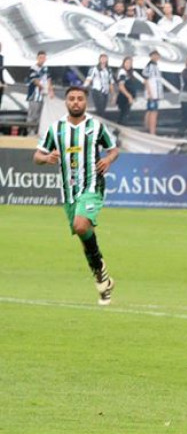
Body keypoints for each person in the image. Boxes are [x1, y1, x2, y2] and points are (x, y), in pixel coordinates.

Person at [32, 86, 118, 305]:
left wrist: (108, 160)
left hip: (92, 186)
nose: (76, 102)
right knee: (83, 233)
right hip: (69, 192)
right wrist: (46, 157)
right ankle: (102, 276)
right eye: (72, 99)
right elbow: (37, 155)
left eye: (80, 99)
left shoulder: (96, 126)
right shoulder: (57, 128)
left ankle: (100, 274)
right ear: (66, 102)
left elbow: (113, 149)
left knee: (81, 226)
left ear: (86, 102)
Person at [26, 50, 50, 131]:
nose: (42, 59)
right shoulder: (33, 68)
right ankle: (30, 132)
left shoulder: (46, 68)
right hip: (34, 96)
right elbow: (35, 81)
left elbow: (49, 79)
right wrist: (44, 87)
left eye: (43, 58)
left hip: (43, 96)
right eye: (40, 57)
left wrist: (50, 90)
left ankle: (37, 132)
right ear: (37, 58)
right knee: (33, 114)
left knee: (40, 115)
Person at [142, 50, 162, 136]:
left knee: (150, 110)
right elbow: (146, 80)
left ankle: (147, 128)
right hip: (153, 93)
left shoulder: (156, 66)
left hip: (156, 93)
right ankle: (152, 131)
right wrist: (149, 92)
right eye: (154, 56)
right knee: (153, 112)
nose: (156, 57)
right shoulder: (149, 66)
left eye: (157, 56)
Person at [114, 56, 136, 127]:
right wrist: (129, 96)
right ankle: (120, 132)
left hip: (126, 97)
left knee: (124, 115)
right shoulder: (122, 72)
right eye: (127, 63)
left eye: (130, 63)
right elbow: (121, 86)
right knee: (124, 116)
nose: (128, 64)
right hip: (124, 97)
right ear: (123, 63)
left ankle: (119, 131)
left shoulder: (128, 72)